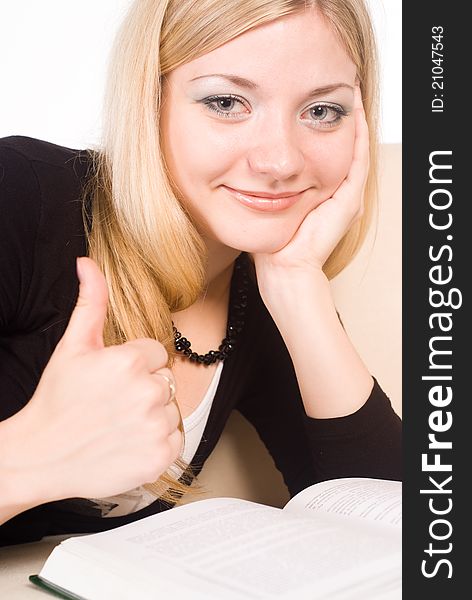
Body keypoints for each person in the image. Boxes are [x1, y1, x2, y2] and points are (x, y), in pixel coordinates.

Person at [0, 0, 401, 546]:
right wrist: (31, 461)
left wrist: (297, 286)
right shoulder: (22, 195)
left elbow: (394, 529)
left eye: (323, 111)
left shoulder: (258, 285)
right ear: (149, 101)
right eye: (226, 101)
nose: (280, 161)